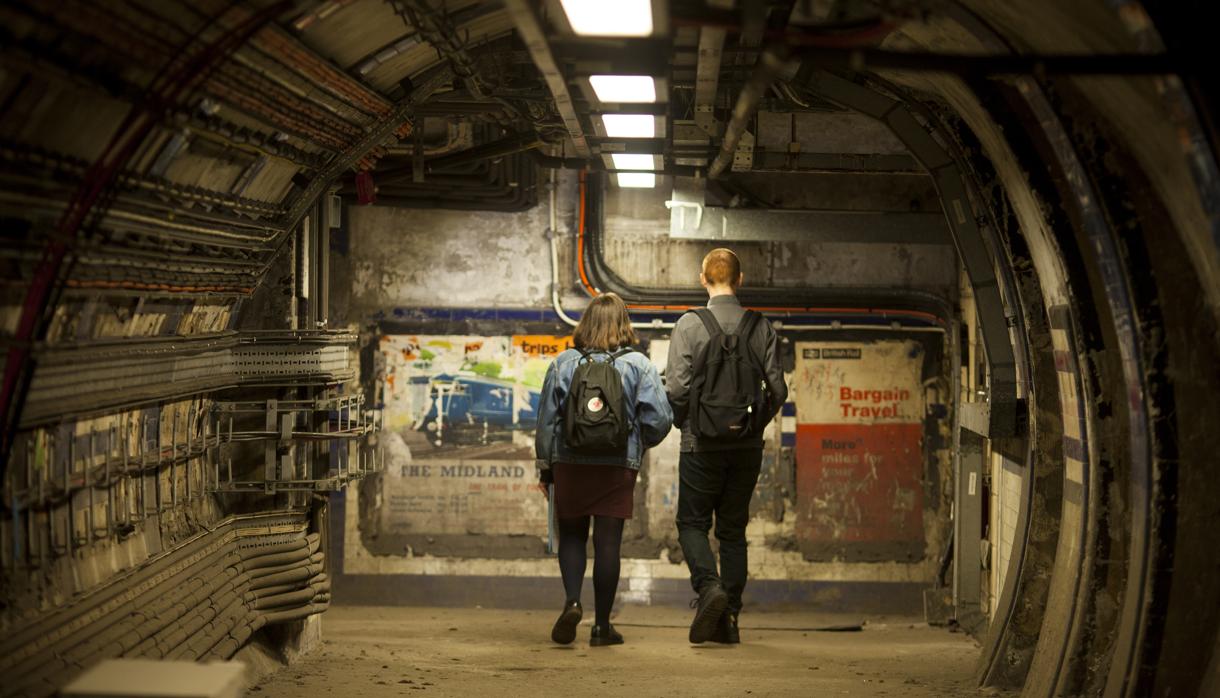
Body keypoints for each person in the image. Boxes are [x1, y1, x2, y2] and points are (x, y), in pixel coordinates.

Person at [536, 292, 673, 647]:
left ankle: (572, 602)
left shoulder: (562, 363)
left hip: (569, 462)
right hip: (616, 464)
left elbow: (548, 422)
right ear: (622, 324)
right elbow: (660, 419)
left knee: (572, 535)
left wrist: (546, 468)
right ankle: (601, 627)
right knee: (608, 542)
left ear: (585, 323)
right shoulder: (638, 364)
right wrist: (637, 444)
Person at [666, 248, 787, 644]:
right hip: (746, 448)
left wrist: (690, 425)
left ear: (703, 278)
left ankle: (708, 589)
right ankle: (729, 618)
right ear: (741, 278)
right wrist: (752, 426)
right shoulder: (760, 327)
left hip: (699, 445)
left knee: (692, 524)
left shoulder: (689, 325)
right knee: (733, 531)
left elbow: (677, 388)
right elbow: (778, 389)